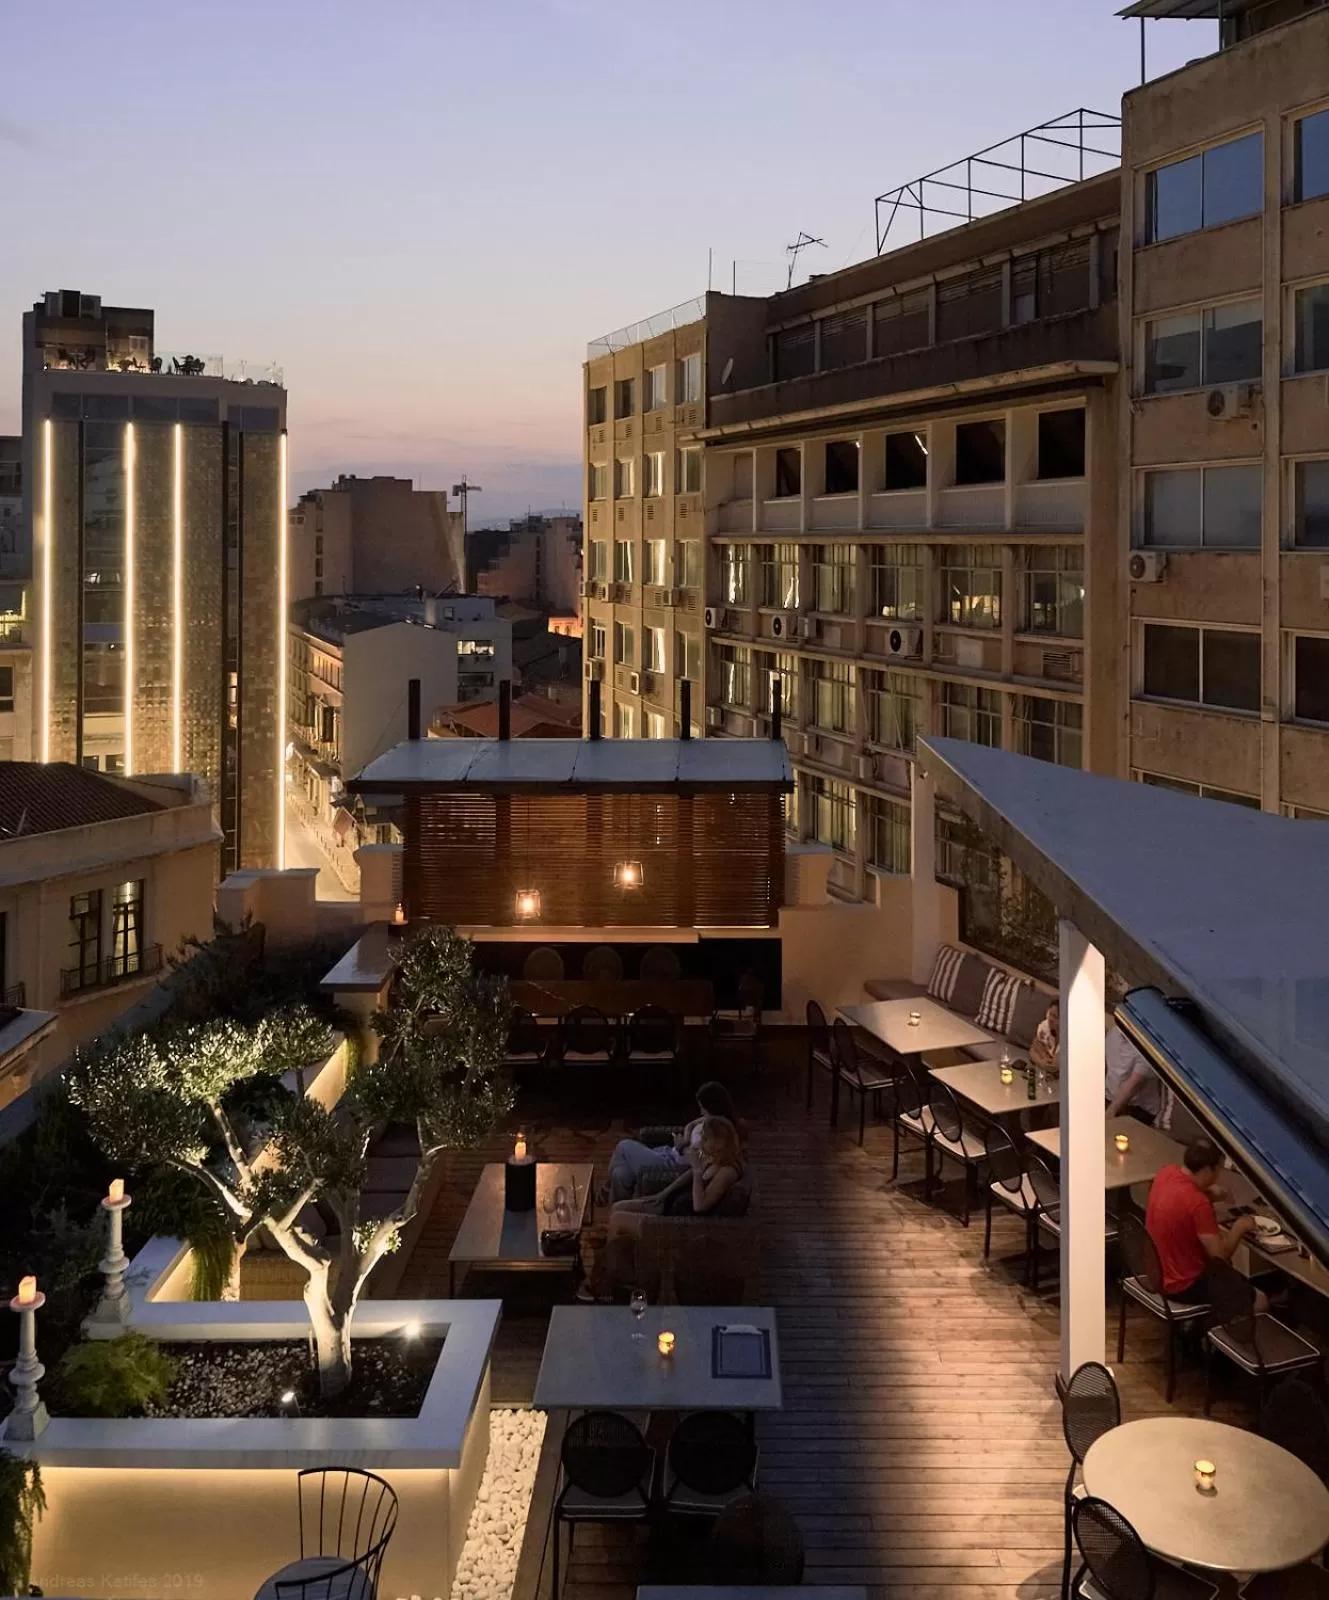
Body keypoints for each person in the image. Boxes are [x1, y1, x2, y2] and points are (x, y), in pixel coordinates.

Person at [578, 1116, 746, 1302]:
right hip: (668, 1203)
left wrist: (698, 1171)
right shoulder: (714, 1159)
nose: (702, 1142)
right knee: (618, 1206)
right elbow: (688, 1176)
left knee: (617, 1220)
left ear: (719, 1142)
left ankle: (605, 1284)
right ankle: (620, 1270)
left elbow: (699, 1206)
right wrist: (662, 1194)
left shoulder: (727, 1172)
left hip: (674, 1220)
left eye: (706, 1139)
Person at [1145, 1137, 1266, 1309]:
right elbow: (1220, 1257)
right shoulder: (1198, 1204)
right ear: (1209, 1169)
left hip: (1157, 1274)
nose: (1218, 1177)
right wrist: (1239, 1228)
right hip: (1184, 1285)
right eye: (1218, 1170)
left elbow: (1180, 1197)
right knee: (1260, 1300)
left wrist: (1206, 1192)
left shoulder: (1166, 1173)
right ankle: (1224, 1333)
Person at [601, 1082, 746, 1204]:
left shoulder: (719, 1131)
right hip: (668, 1153)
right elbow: (691, 1124)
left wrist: (682, 1147)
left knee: (623, 1146)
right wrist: (686, 1139)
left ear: (713, 1107)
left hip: (672, 1165)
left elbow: (700, 1160)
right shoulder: (711, 1119)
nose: (701, 1112)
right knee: (620, 1173)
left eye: (703, 1108)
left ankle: (607, 1190)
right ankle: (615, 1212)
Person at [1105, 1022, 1162, 1123]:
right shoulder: (1115, 1032)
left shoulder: (1148, 1048)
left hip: (1137, 1108)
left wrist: (1110, 1112)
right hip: (1108, 1095)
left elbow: (1134, 1085)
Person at [1030, 1002, 1059, 1072]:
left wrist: (1040, 1055)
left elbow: (1055, 1067)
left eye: (1055, 1017)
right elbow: (1033, 1049)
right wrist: (1042, 1062)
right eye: (1050, 1014)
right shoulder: (1045, 1026)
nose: (1050, 1019)